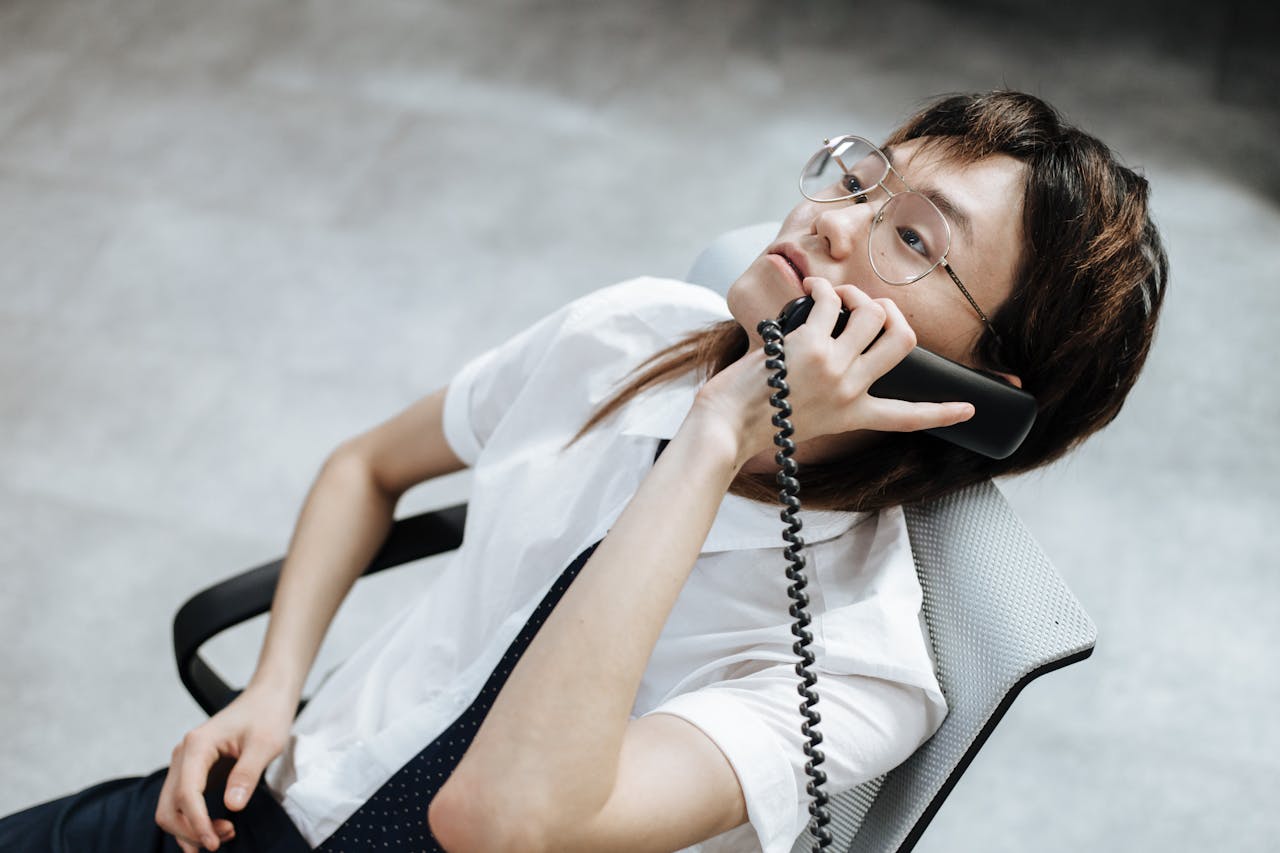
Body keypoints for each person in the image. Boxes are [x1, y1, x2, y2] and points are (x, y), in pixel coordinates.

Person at [0, 90, 1167, 853]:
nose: (826, 219)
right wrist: (272, 688)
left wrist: (719, 435)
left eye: (913, 236)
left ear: (984, 400)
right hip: (264, 802)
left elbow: (496, 820)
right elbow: (365, 467)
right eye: (862, 178)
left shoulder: (859, 669)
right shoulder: (628, 332)